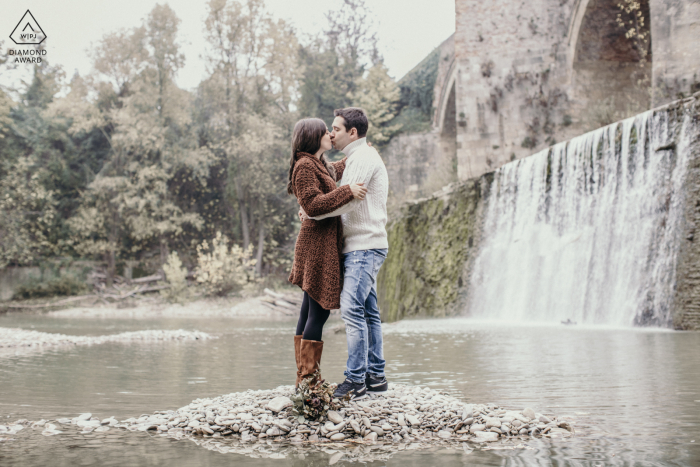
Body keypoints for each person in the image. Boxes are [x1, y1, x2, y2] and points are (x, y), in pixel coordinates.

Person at [303, 107, 390, 400]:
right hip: (363, 244)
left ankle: (355, 380)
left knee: (351, 309)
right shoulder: (357, 157)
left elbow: (351, 202)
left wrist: (312, 214)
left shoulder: (363, 158)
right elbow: (332, 178)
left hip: (364, 245)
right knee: (368, 312)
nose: (331, 133)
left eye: (336, 129)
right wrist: (313, 208)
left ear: (353, 132)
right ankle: (375, 376)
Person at [287, 117, 368, 387]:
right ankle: (309, 381)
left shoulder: (317, 164)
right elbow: (312, 204)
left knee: (308, 311)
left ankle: (303, 379)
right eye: (325, 131)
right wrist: (347, 191)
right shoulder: (304, 166)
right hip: (316, 246)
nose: (329, 135)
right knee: (318, 311)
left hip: (318, 243)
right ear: (312, 136)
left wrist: (359, 155)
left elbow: (330, 173)